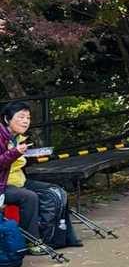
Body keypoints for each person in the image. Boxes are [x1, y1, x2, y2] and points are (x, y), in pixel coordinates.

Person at [0, 101, 80, 249]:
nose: (25, 121)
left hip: (18, 181)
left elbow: (16, 163)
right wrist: (14, 153)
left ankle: (58, 236)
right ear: (7, 119)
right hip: (3, 185)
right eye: (21, 117)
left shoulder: (18, 137)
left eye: (28, 118)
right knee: (29, 197)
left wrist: (29, 155)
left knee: (56, 191)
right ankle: (31, 241)